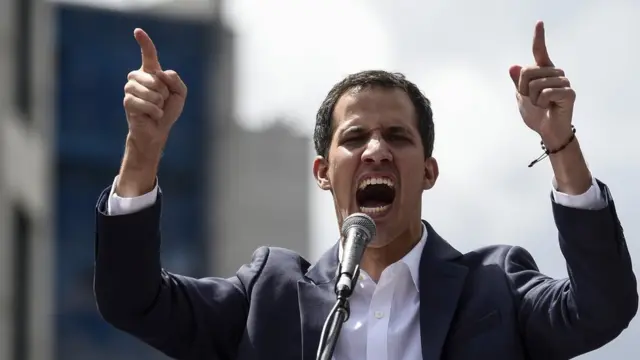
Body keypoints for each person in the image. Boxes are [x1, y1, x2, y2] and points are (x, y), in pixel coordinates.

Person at [94, 21, 638, 360]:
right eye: (354, 137)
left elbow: (602, 308)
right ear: (323, 171)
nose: (376, 149)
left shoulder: (495, 288)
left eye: (397, 137)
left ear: (427, 171)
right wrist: (142, 151)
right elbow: (132, 300)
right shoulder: (269, 297)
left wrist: (560, 142)